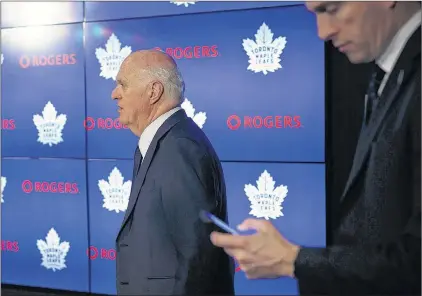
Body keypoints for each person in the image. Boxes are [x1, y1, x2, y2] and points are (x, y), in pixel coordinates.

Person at [210, 2, 421, 295]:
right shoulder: (388, 75)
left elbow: (415, 261)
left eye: (332, 8)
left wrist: (292, 260)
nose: (323, 32)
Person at [113, 50, 234, 295]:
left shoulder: (180, 148)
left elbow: (197, 256)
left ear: (153, 92)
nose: (114, 94)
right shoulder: (166, 141)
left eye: (122, 85)